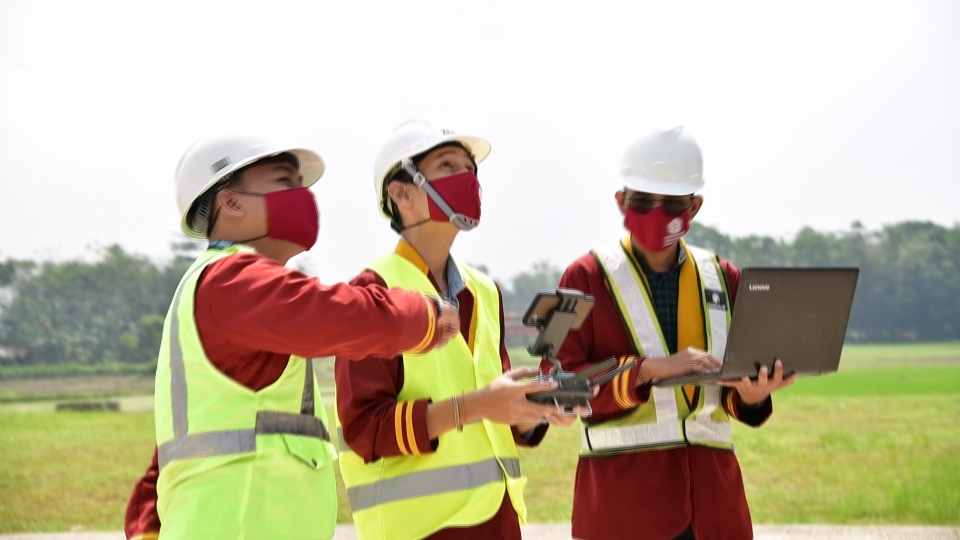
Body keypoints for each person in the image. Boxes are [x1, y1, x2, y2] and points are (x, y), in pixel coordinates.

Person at [124, 134, 460, 540]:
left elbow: (179, 450)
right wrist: (424, 315)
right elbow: (334, 313)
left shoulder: (219, 288)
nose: (303, 196)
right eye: (286, 182)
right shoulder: (232, 280)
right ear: (231, 202)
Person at [334, 120, 579, 540]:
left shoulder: (485, 292)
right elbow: (365, 430)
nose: (468, 178)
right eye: (449, 166)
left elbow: (496, 413)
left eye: (471, 169)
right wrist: (478, 406)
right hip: (421, 529)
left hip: (500, 521)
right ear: (402, 192)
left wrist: (534, 409)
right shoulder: (372, 293)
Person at [551, 126, 797, 540]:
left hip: (715, 510)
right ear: (620, 202)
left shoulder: (725, 277)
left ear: (694, 206)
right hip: (621, 511)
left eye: (672, 203)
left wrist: (752, 396)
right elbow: (557, 386)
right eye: (642, 201)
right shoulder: (579, 277)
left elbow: (732, 395)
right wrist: (647, 370)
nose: (656, 212)